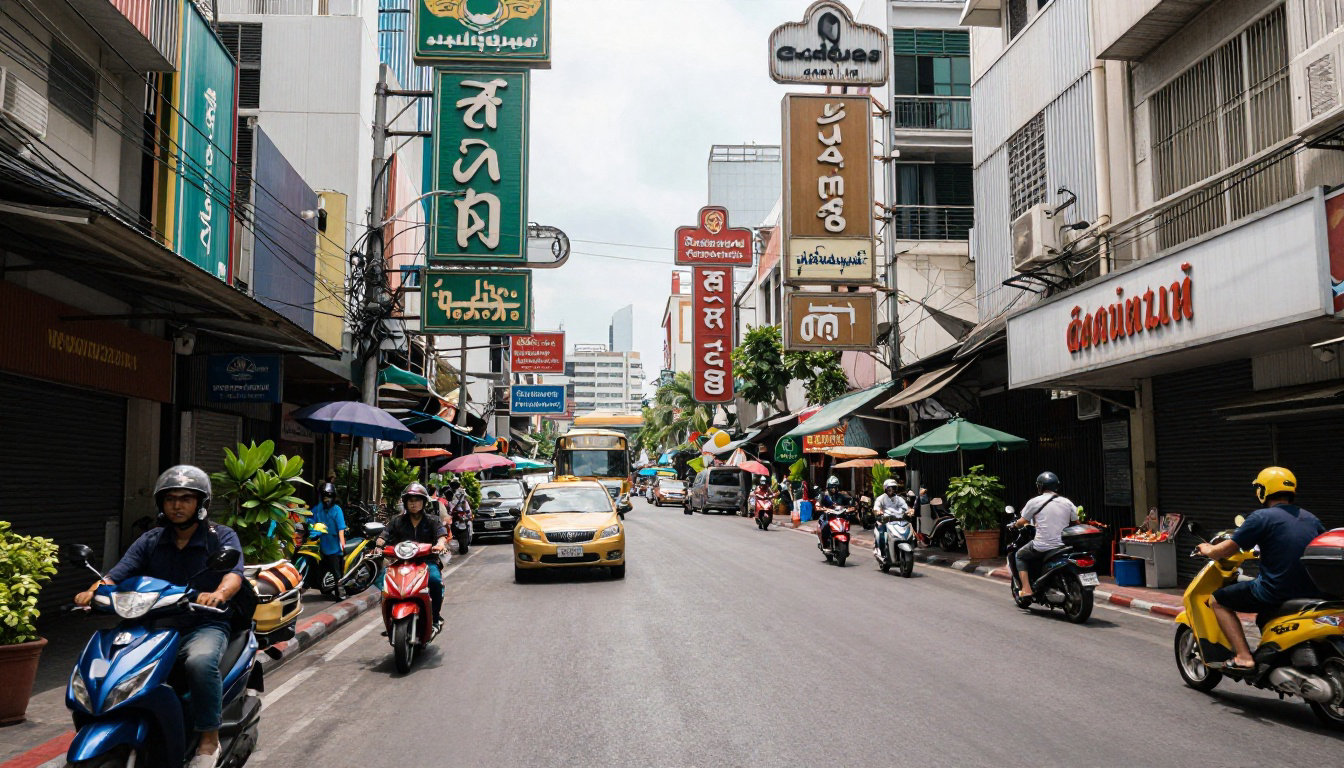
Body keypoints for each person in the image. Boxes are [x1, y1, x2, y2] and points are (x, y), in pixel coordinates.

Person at [75, 466, 244, 768]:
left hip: (201, 622)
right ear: (161, 503)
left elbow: (233, 574)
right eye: (170, 499)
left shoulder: (220, 536)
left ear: (201, 503)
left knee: (200, 662)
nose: (177, 505)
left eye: (185, 499)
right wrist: (92, 591)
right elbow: (116, 574)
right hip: (150, 624)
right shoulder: (151, 540)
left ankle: (209, 738)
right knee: (109, 661)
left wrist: (219, 593)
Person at [1198, 466, 1327, 671]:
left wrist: (1207, 549)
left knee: (1218, 600)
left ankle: (1243, 657)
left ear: (1263, 490)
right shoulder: (1311, 518)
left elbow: (1224, 551)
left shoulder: (1261, 517)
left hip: (1275, 591)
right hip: (1314, 591)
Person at [375, 482, 449, 633]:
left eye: (417, 500)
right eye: (410, 500)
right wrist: (378, 545)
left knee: (435, 581)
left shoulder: (433, 520)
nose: (413, 504)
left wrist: (440, 544)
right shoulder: (397, 521)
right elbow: (384, 535)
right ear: (405, 502)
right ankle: (390, 619)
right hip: (401, 563)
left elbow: (441, 534)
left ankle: (435, 618)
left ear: (424, 502)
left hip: (426, 562)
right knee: (382, 580)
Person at [1009, 471, 1080, 599]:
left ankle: (1026, 589)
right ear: (1056, 486)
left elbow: (1022, 521)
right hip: (1063, 545)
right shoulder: (1067, 502)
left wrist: (1014, 525)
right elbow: (1077, 522)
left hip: (1042, 546)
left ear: (1040, 486)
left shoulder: (1034, 502)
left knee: (1019, 555)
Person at [309, 482, 348, 600]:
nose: (327, 499)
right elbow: (310, 520)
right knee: (321, 570)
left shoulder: (337, 510)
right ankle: (326, 587)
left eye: (329, 496)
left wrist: (343, 545)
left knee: (336, 571)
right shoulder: (318, 509)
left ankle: (341, 591)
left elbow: (341, 529)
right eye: (325, 496)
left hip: (334, 546)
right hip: (322, 545)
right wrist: (312, 530)